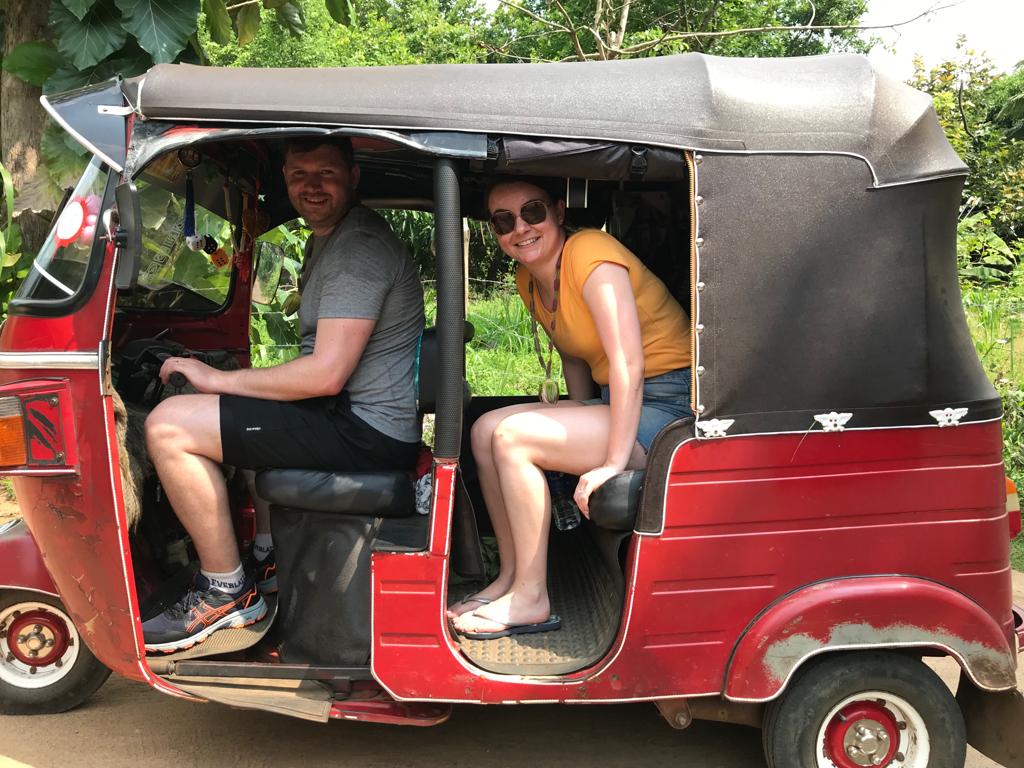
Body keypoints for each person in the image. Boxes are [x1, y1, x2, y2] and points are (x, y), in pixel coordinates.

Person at [141, 137, 425, 653]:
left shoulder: (357, 249)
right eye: (298, 175)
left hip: (366, 429)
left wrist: (215, 378)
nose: (311, 187)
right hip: (353, 417)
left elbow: (325, 375)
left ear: (353, 177)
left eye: (326, 173)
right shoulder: (329, 239)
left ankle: (225, 591)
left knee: (168, 425)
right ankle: (269, 557)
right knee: (252, 408)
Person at [451, 178, 691, 640]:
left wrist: (612, 464)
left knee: (514, 437)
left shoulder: (590, 252)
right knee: (484, 431)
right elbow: (574, 354)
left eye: (532, 212)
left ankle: (531, 598)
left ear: (558, 212)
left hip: (670, 403)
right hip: (619, 397)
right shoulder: (529, 279)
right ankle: (509, 578)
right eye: (503, 221)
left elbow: (628, 362)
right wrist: (578, 407)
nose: (520, 228)